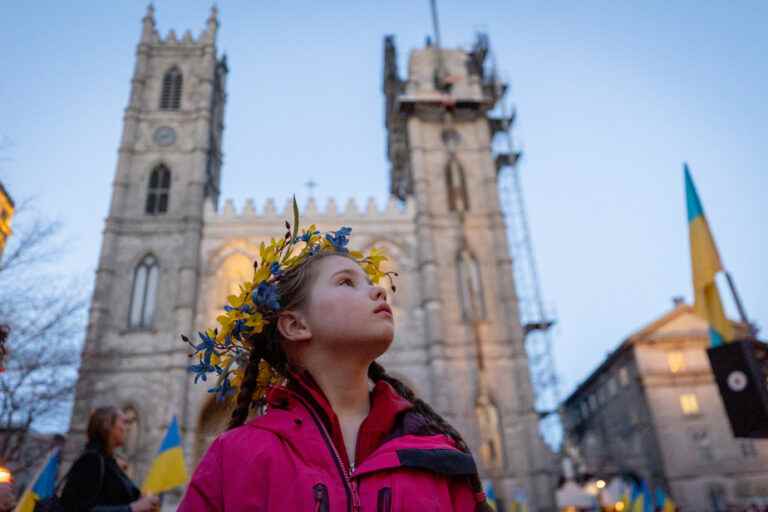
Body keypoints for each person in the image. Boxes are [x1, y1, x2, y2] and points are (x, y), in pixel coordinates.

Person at [178, 212, 492, 511]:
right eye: (346, 282)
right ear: (296, 325)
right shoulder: (235, 457)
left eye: (370, 281)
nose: (379, 290)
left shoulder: (440, 453)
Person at [61, 406, 159, 512]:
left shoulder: (109, 461)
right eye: (123, 422)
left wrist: (145, 500)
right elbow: (76, 508)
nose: (127, 428)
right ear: (107, 426)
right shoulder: (91, 460)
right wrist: (133, 508)